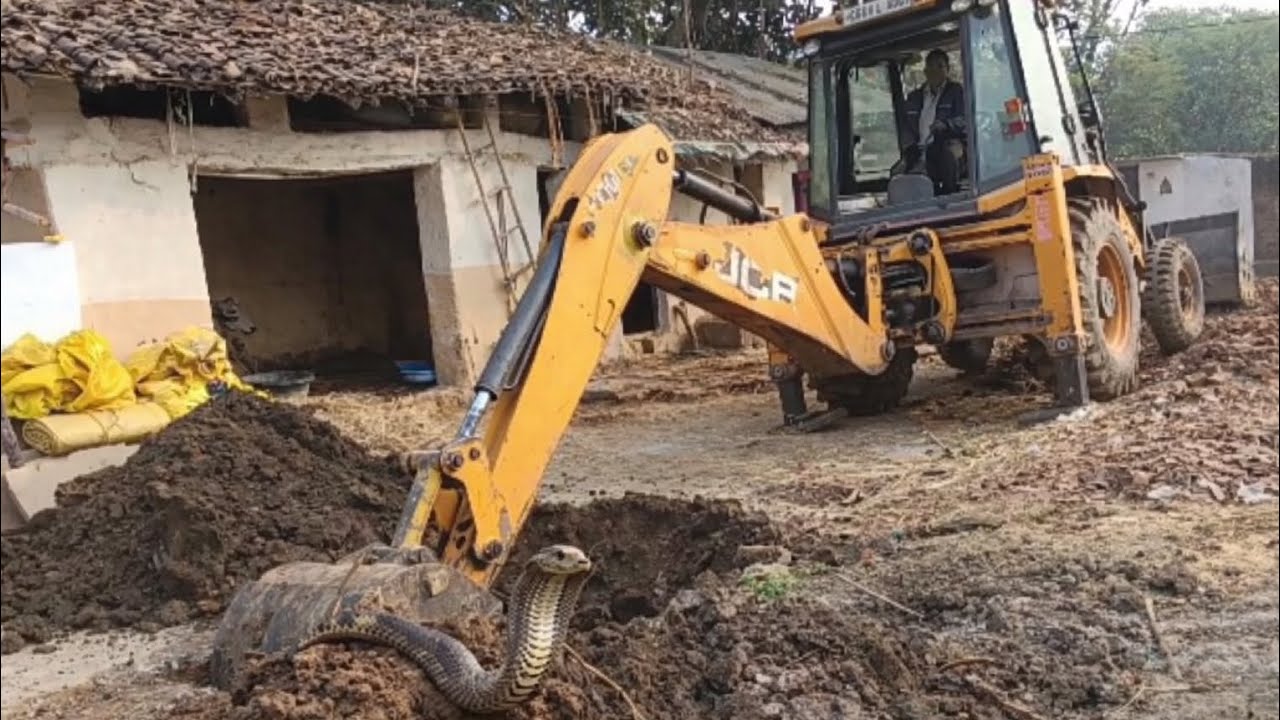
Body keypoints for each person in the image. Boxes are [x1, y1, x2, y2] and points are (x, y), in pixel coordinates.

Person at [900, 49, 967, 195]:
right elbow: (905, 127)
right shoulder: (914, 98)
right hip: (918, 150)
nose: (934, 71)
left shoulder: (956, 92)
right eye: (930, 66)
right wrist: (909, 146)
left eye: (940, 66)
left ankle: (950, 193)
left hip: (944, 145)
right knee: (898, 173)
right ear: (925, 71)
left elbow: (965, 120)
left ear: (947, 69)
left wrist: (946, 125)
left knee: (949, 152)